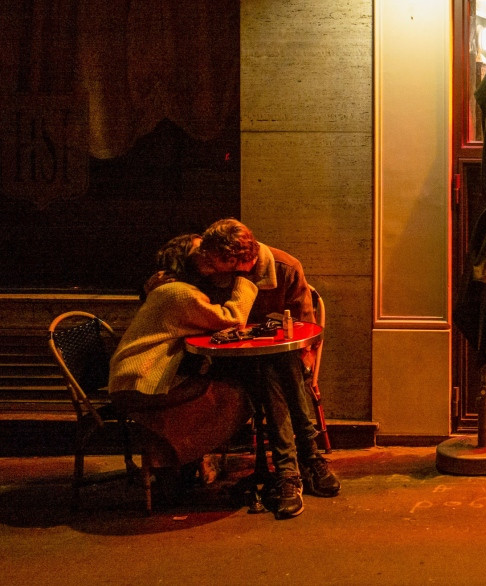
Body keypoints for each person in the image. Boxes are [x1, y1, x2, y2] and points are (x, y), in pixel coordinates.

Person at [192, 218, 339, 518]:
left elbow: (305, 332)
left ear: (235, 258)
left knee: (276, 366)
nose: (214, 266)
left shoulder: (285, 268)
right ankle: (306, 460)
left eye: (218, 261)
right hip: (233, 366)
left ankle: (289, 471)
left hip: (285, 365)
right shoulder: (214, 274)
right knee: (273, 367)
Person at [108, 235, 257, 494]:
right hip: (140, 382)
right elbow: (232, 319)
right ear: (184, 261)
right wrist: (244, 277)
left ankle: (178, 467)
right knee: (230, 395)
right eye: (201, 253)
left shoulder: (173, 290)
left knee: (215, 387)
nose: (209, 255)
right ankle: (177, 461)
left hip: (137, 377)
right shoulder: (178, 293)